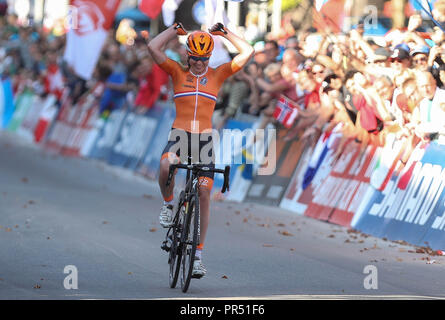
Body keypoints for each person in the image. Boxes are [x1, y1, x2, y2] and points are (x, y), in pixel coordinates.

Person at [147, 22, 254, 278]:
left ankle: (197, 255)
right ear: (187, 56)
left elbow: (248, 52)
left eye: (204, 59)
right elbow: (153, 46)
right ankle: (168, 203)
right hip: (180, 136)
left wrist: (225, 34)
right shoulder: (176, 72)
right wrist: (175, 31)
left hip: (204, 140)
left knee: (205, 193)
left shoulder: (217, 75)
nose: (199, 64)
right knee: (166, 164)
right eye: (195, 58)